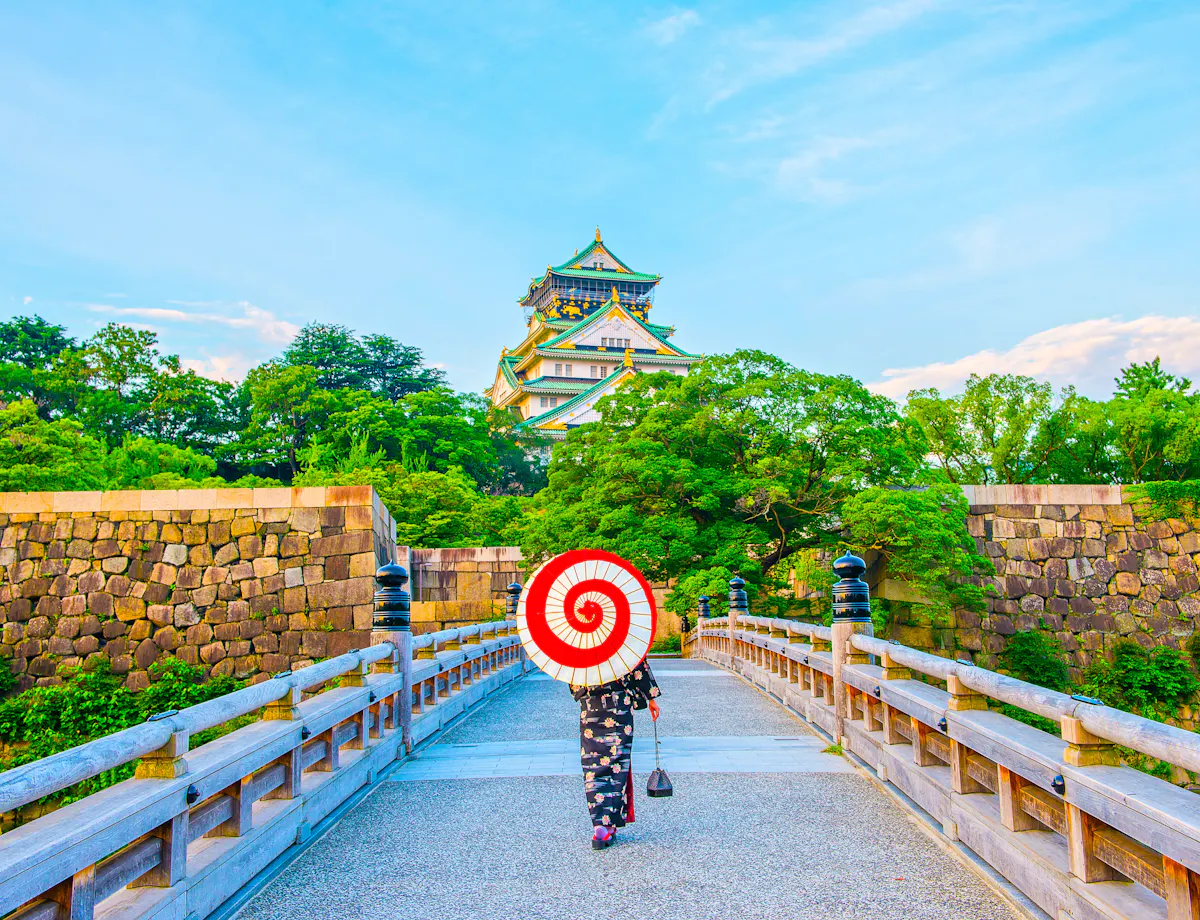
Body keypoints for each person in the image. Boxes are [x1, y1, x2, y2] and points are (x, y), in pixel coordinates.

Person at [571, 660, 661, 850]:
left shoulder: (580, 645)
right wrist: (650, 697)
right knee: (616, 764)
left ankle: (599, 825)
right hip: (619, 706)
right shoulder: (620, 638)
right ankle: (609, 822)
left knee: (593, 766)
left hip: (591, 708)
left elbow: (573, 681)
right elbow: (636, 664)